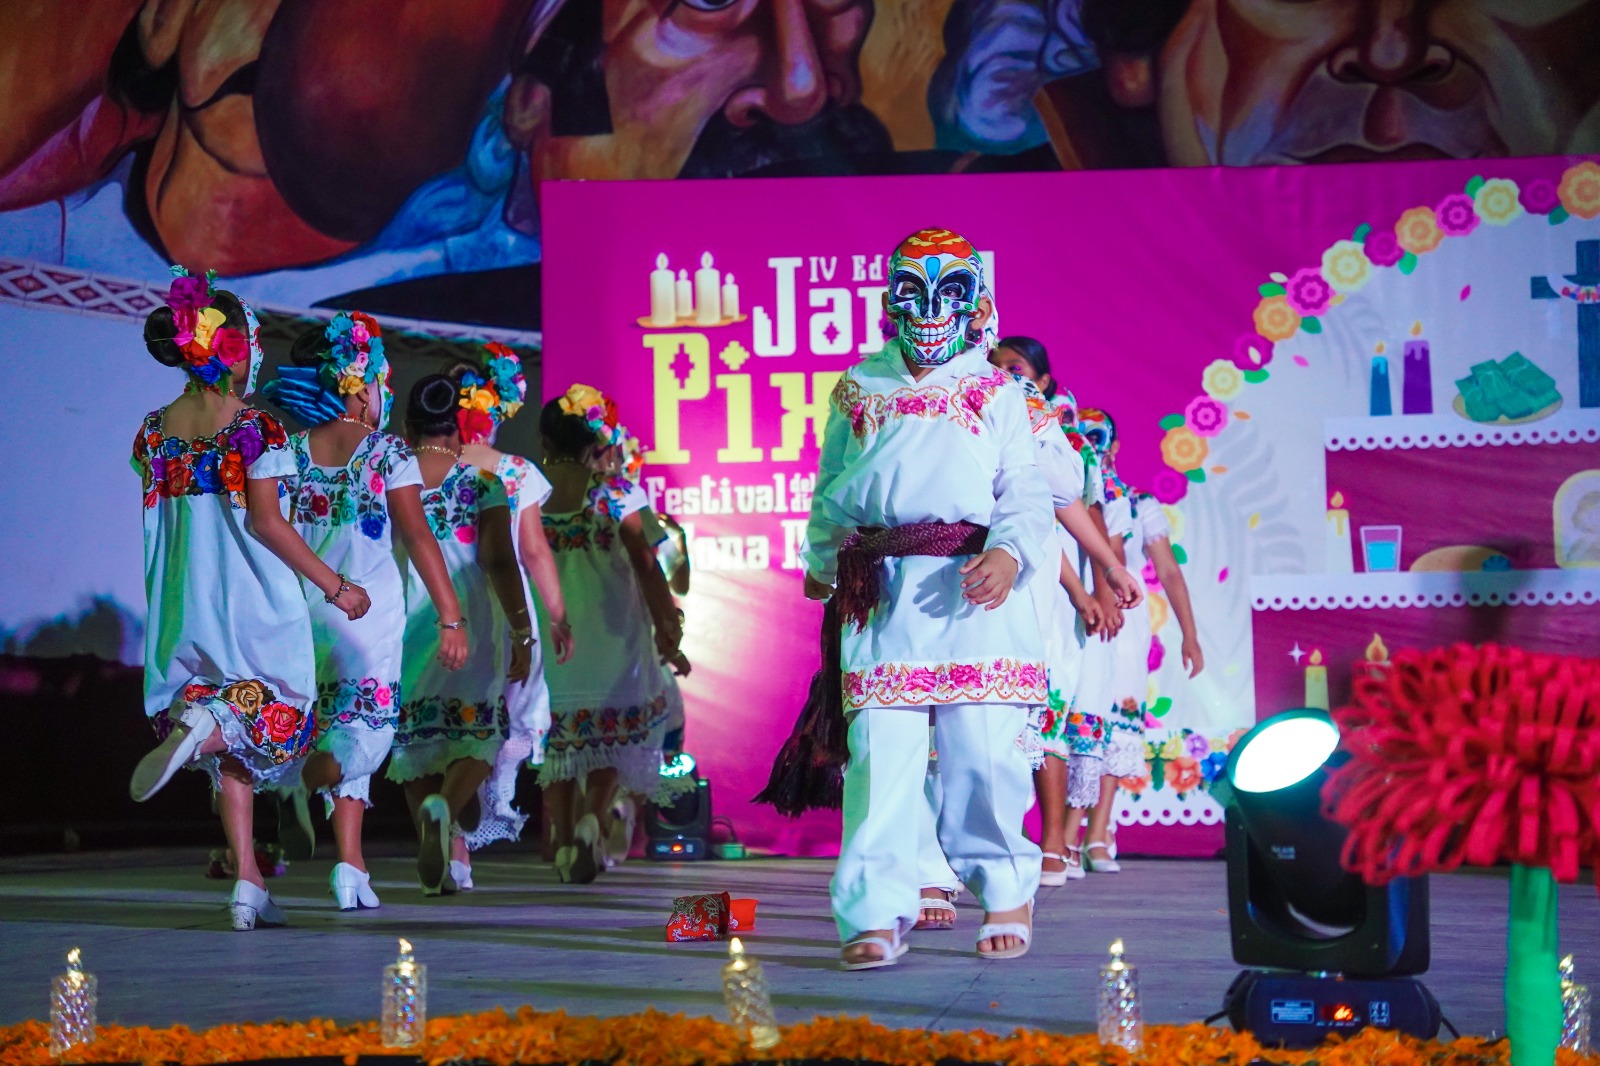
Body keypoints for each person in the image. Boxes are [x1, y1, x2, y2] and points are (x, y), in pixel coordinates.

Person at [804, 227, 1139, 970]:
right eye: (911, 291)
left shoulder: (998, 389)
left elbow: (1025, 487)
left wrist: (1008, 551)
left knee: (982, 757)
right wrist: (822, 557)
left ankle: (1006, 892)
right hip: (882, 591)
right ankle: (875, 910)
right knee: (879, 760)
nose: (929, 307)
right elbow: (832, 482)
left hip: (975, 590)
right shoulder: (859, 384)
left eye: (948, 291)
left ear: (976, 304)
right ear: (891, 301)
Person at [128, 268, 370, 930]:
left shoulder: (153, 430)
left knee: (233, 744)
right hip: (251, 595)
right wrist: (336, 585)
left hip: (184, 599)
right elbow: (267, 522)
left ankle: (248, 882)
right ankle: (202, 730)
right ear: (233, 348)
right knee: (277, 702)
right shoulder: (256, 429)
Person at [260, 313, 468, 911]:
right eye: (379, 383)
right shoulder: (385, 453)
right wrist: (450, 616)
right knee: (365, 739)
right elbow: (420, 538)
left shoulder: (288, 452)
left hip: (304, 616)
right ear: (357, 386)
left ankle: (351, 867)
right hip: (366, 619)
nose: (383, 396)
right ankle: (301, 787)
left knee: (334, 732)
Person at [387, 375, 531, 896]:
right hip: (471, 624)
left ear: (407, 427)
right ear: (458, 427)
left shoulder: (390, 479)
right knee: (480, 736)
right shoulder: (481, 480)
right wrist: (522, 629)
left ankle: (451, 857)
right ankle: (444, 811)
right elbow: (497, 557)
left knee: (417, 739)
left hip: (409, 624)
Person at [537, 385, 682, 884]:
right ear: (596, 438)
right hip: (614, 635)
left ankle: (559, 839)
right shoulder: (621, 493)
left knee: (558, 743)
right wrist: (669, 625)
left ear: (545, 440)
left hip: (552, 635)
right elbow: (648, 566)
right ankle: (593, 818)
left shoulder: (525, 492)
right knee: (611, 739)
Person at [449, 346, 574, 881]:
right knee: (518, 712)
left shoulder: (425, 464)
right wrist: (556, 615)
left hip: (443, 606)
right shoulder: (515, 472)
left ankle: (456, 847)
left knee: (453, 722)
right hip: (505, 608)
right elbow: (533, 551)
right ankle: (498, 788)